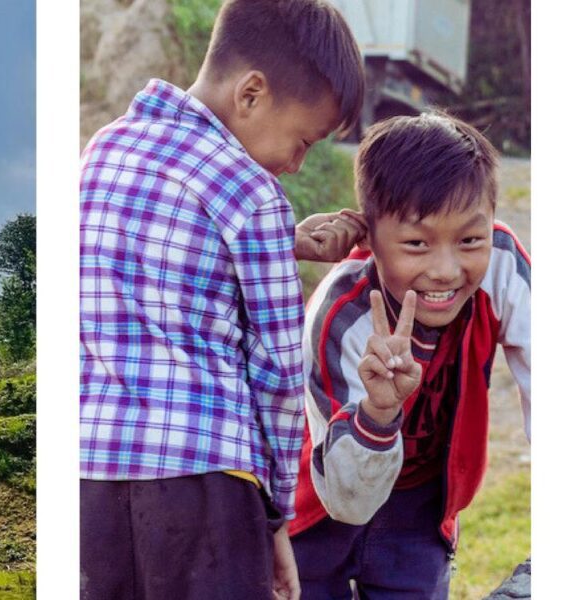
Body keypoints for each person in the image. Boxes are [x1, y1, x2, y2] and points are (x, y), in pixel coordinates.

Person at [79, 0, 365, 597]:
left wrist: (278, 244)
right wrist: (277, 514)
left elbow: (140, 267)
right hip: (207, 485)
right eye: (304, 140)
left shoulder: (101, 154)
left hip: (89, 476)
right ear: (252, 93)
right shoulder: (253, 194)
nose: (297, 160)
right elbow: (279, 372)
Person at [290, 113, 530, 598]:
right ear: (368, 237)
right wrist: (379, 411)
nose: (446, 269)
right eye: (417, 244)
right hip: (320, 510)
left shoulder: (501, 263)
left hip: (420, 511)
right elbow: (347, 499)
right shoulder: (341, 314)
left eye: (468, 240)